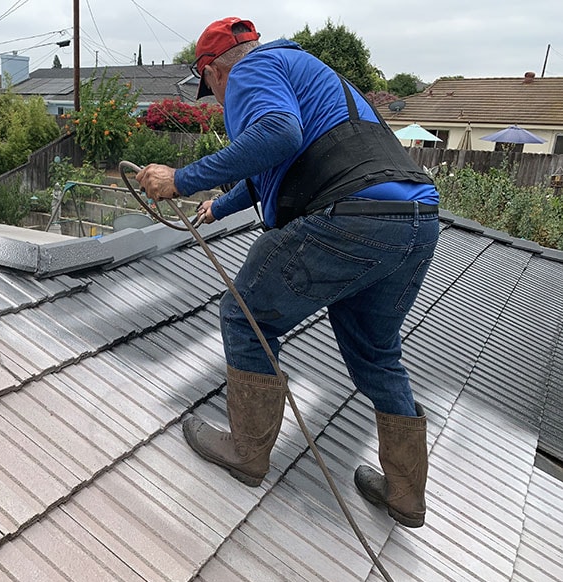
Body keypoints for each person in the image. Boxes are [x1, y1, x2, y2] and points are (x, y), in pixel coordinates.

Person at [136, 17, 439, 528]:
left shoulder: (253, 70)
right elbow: (278, 164)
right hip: (414, 221)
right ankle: (406, 496)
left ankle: (246, 453)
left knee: (244, 312)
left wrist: (182, 178)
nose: (215, 97)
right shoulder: (306, 71)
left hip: (352, 217)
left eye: (209, 87)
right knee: (378, 356)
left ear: (213, 71)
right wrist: (218, 206)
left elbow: (277, 134)